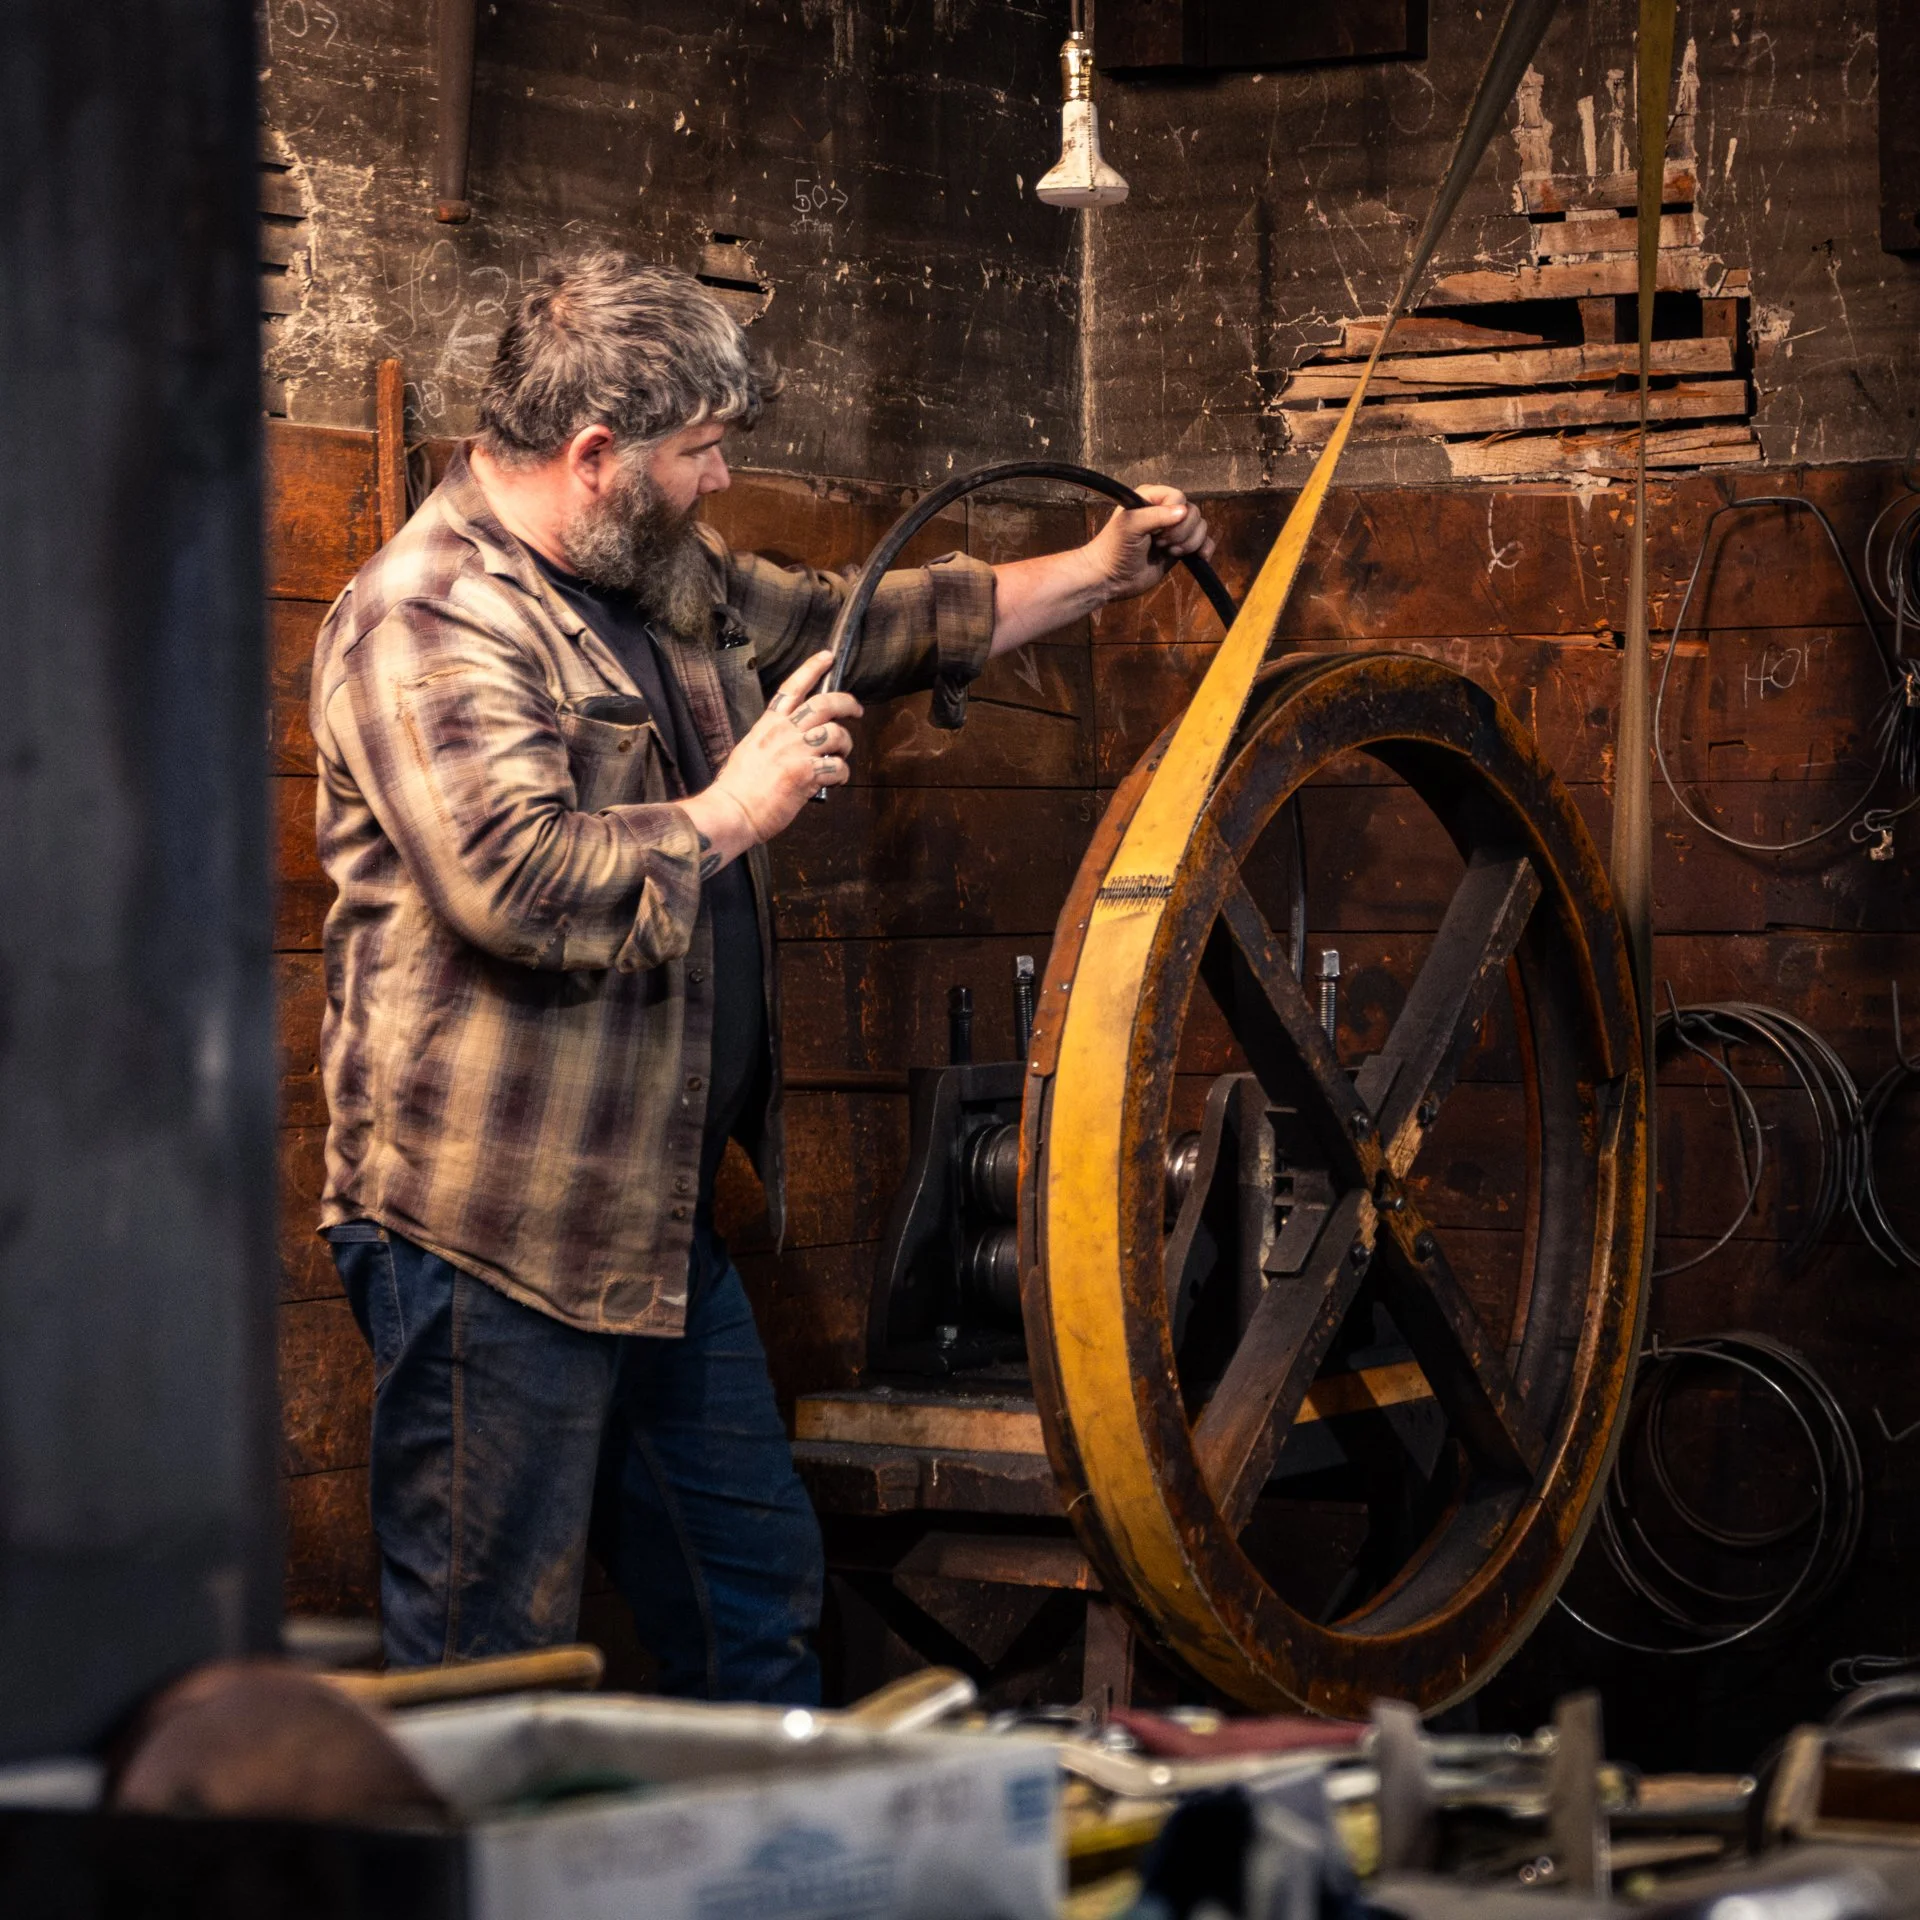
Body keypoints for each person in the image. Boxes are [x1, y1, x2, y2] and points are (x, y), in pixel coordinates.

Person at [310, 251, 1212, 1702]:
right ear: (596, 457)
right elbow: (514, 882)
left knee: (755, 1611)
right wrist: (736, 808)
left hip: (655, 1226)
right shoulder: (428, 617)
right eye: (699, 453)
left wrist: (1102, 570)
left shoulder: (660, 577)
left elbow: (884, 620)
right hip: (489, 1236)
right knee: (485, 1668)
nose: (721, 478)